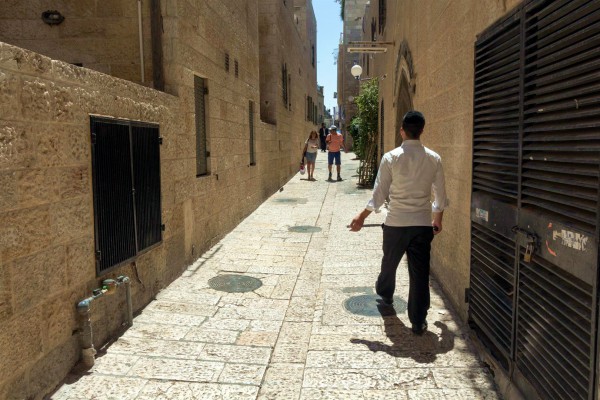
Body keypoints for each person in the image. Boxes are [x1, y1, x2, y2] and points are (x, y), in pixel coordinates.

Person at [349, 111, 447, 336]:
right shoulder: (434, 158)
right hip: (422, 224)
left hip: (395, 223)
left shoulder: (391, 157)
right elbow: (440, 195)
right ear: (422, 130)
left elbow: (380, 193)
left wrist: (362, 216)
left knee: (389, 262)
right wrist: (437, 219)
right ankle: (418, 320)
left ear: (402, 130)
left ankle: (385, 294)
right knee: (420, 274)